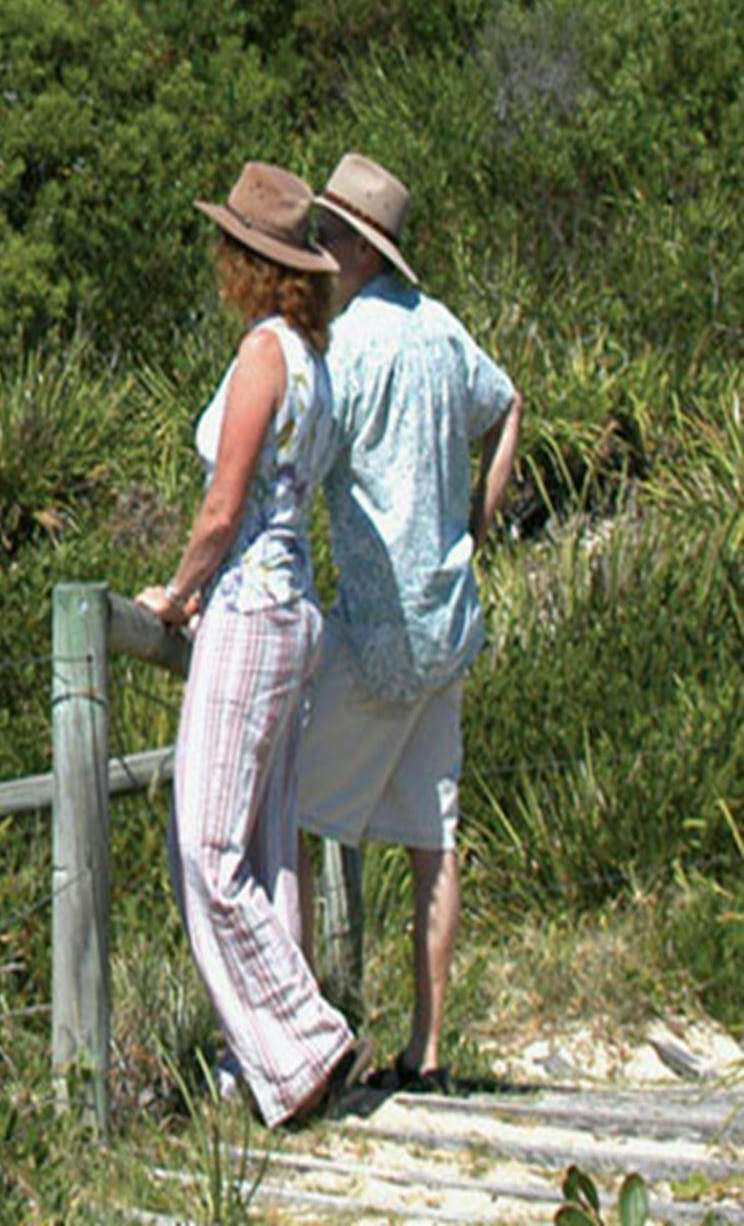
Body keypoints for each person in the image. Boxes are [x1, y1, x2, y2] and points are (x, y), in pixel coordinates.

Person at [136, 161, 363, 1127]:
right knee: (270, 844)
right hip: (298, 606)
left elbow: (223, 503)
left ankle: (302, 1035)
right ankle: (271, 1060)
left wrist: (179, 590)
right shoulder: (314, 359)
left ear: (250, 262)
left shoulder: (265, 356)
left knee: (207, 843)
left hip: (251, 606)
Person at [297, 153, 523, 1093]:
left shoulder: (349, 350)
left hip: (381, 631)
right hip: (449, 622)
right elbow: (506, 405)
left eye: (323, 235)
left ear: (353, 248)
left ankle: (305, 1039)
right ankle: (427, 1050)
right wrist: (481, 519)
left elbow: (300, 460)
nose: (315, 251)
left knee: (294, 820)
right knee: (436, 837)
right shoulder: (442, 331)